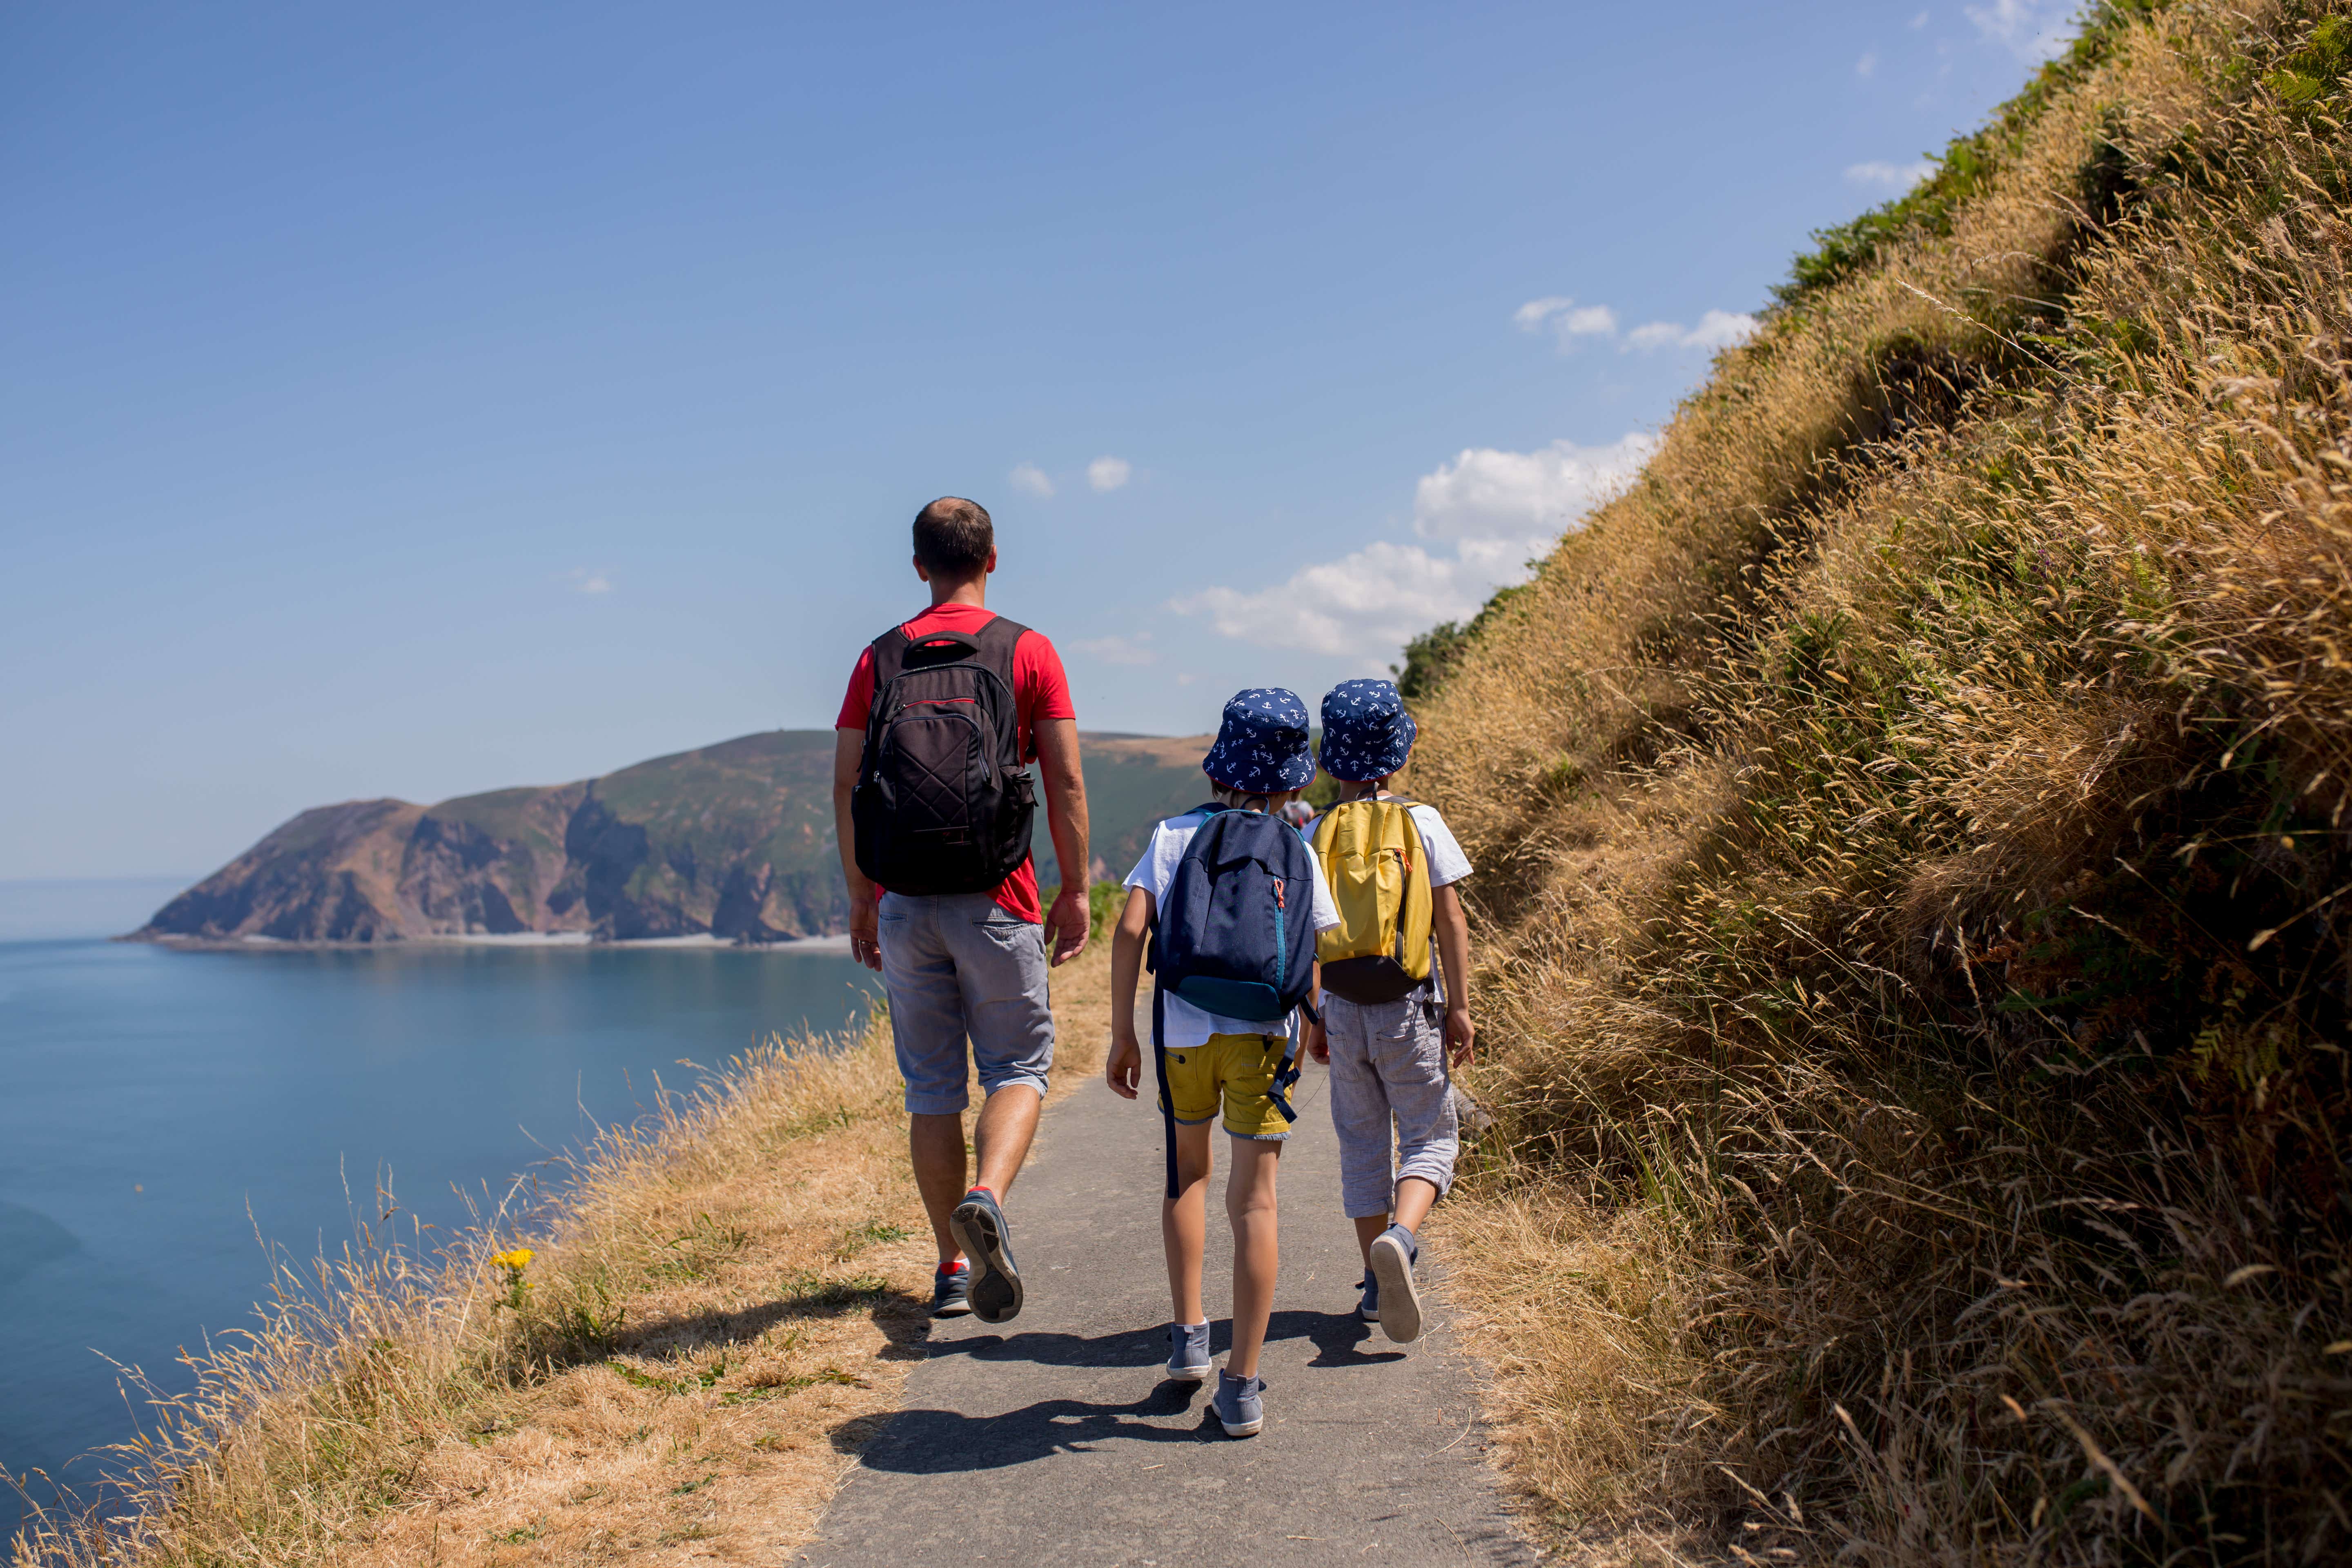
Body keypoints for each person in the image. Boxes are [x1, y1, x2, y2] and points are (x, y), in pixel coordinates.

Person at [832, 497, 1092, 1325]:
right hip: (999, 898)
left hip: (907, 903)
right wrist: (1076, 888)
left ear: (918, 566)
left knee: (932, 1092)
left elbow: (846, 787)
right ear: (993, 557)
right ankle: (987, 1194)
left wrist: (862, 899)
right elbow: (1066, 782)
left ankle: (950, 1264)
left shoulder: (878, 660)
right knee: (1018, 1070)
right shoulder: (1029, 650)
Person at [1105, 690, 1341, 1438]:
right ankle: (1241, 1386)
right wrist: (1317, 1024)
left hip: (1182, 1036)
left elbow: (1129, 931)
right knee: (1256, 1203)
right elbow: (1317, 949)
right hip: (1264, 1039)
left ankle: (1187, 1339)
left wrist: (1122, 1035)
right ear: (1292, 783)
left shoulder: (1172, 836)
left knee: (1188, 1177)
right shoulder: (1296, 848)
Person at [1304, 678, 1475, 1345]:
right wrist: (1460, 1007)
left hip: (1343, 1010)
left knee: (1362, 1145)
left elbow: (1308, 937)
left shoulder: (1316, 831)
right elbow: (1451, 922)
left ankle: (1374, 1286)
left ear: (1328, 763)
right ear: (1397, 756)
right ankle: (1402, 1239)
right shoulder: (1421, 822)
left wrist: (1315, 1019)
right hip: (1409, 1006)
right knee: (1432, 1134)